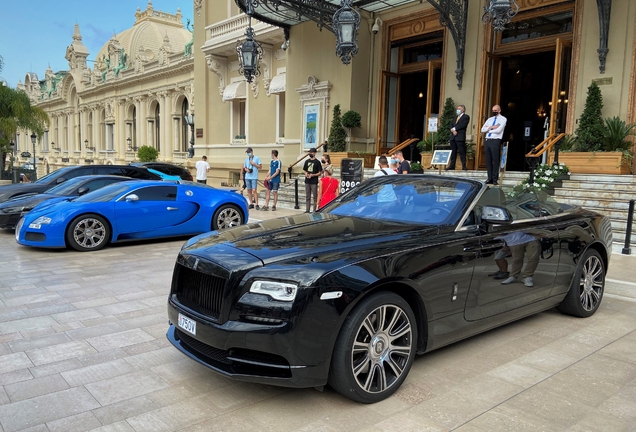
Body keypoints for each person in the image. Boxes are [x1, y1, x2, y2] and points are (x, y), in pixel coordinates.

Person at [481, 104, 507, 185]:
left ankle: (495, 178)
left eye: (495, 110)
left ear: (499, 110)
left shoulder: (503, 119)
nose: (494, 112)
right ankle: (489, 178)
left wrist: (489, 129)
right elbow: (482, 129)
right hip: (488, 140)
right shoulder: (490, 119)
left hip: (495, 140)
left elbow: (499, 130)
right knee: (488, 160)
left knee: (495, 160)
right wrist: (491, 127)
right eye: (493, 110)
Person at [447, 104, 470, 170]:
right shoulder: (455, 117)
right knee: (453, 152)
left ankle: (464, 166)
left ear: (463, 110)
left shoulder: (466, 117)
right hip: (453, 137)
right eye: (457, 109)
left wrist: (455, 129)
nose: (457, 110)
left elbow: (463, 125)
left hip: (460, 137)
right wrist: (452, 130)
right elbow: (451, 125)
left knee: (462, 152)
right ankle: (452, 165)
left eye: (459, 109)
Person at [302, 147, 323, 212]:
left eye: (312, 152)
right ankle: (307, 209)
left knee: (315, 197)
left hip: (314, 181)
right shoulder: (307, 161)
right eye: (310, 152)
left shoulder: (317, 162)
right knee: (307, 196)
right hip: (307, 181)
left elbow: (320, 172)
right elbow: (304, 169)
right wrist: (306, 173)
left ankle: (314, 210)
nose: (310, 153)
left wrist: (313, 175)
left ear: (315, 153)